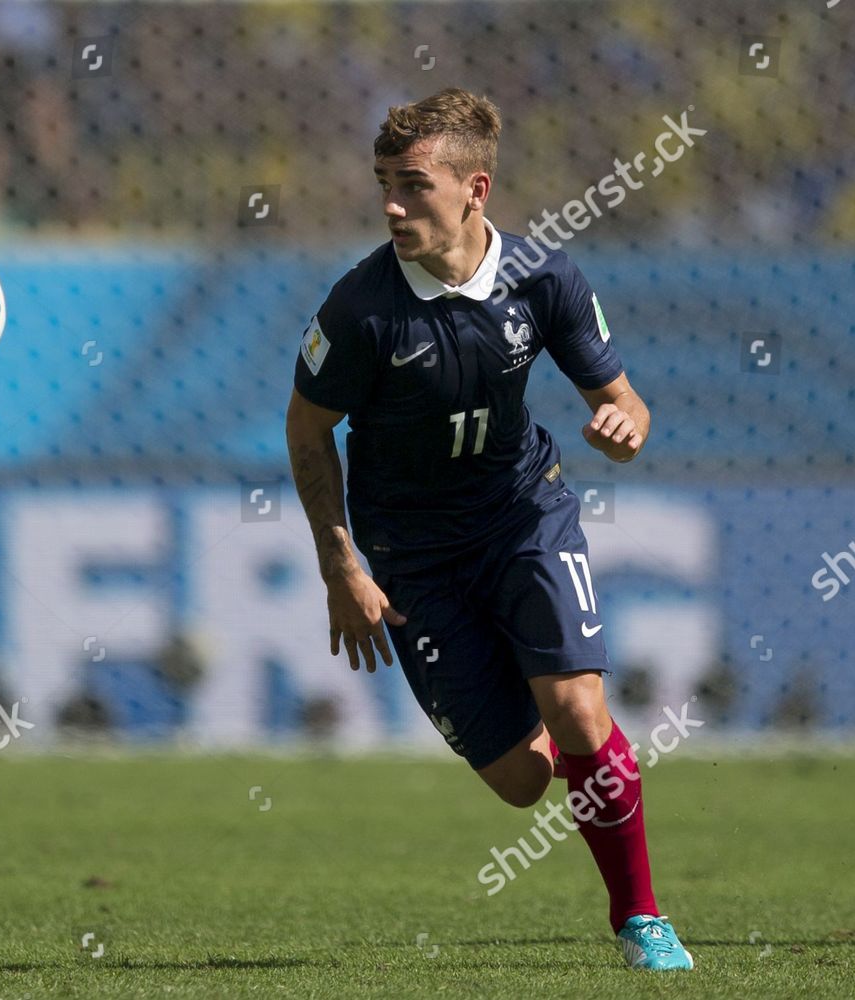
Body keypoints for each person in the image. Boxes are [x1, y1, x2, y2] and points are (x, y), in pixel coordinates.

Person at [285, 87, 693, 971]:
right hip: (412, 557)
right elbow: (307, 430)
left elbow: (624, 404)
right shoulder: (360, 311)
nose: (393, 205)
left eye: (414, 186)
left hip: (522, 514)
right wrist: (339, 566)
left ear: (476, 189)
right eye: (385, 185)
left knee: (580, 710)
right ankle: (542, 690)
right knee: (522, 782)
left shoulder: (544, 277)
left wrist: (626, 426)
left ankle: (641, 921)